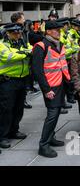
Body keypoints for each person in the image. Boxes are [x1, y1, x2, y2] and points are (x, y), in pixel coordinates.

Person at [31, 20, 70, 158]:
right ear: (48, 32)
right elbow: (37, 71)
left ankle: (51, 137)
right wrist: (46, 89)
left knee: (56, 112)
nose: (59, 32)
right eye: (56, 30)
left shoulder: (57, 44)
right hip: (50, 85)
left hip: (59, 83)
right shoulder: (40, 46)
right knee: (52, 114)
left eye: (59, 30)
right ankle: (43, 145)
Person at [0, 23, 33, 152]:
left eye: (19, 32)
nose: (18, 35)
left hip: (21, 80)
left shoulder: (22, 43)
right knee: (6, 109)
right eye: (15, 33)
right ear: (7, 33)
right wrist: (25, 53)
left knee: (19, 108)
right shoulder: (2, 45)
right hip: (7, 81)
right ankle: (2, 136)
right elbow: (9, 57)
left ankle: (14, 130)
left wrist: (24, 51)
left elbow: (31, 49)